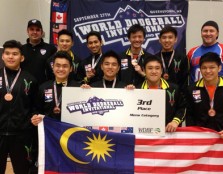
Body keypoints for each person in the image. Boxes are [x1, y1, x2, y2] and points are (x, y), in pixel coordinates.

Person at [0, 40, 38, 174]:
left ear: (21, 57)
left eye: (15, 54)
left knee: (22, 171)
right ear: (3, 56)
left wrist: (33, 118)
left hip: (21, 136)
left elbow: (35, 106)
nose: (11, 57)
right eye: (8, 53)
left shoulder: (31, 80)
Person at [126, 55, 186, 132]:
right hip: (144, 135)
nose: (154, 71)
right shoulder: (137, 90)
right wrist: (127, 94)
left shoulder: (174, 89)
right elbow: (129, 113)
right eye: (150, 68)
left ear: (161, 71)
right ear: (144, 70)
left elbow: (182, 108)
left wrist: (175, 121)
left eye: (157, 68)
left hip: (169, 134)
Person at [31, 51, 79, 125]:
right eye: (58, 65)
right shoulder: (43, 87)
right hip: (49, 132)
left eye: (65, 66)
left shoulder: (77, 88)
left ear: (71, 69)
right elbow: (37, 109)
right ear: (52, 67)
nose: (61, 69)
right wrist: (35, 117)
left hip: (70, 132)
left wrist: (86, 91)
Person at [186, 52, 223, 138]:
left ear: (219, 68)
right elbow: (190, 115)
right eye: (204, 68)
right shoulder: (192, 89)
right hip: (200, 138)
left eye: (212, 67)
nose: (208, 71)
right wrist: (192, 133)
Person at [21, 19, 57, 85]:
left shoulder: (51, 49)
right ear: (27, 31)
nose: (35, 32)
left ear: (42, 32)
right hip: (25, 86)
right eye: (32, 29)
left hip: (43, 87)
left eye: (37, 30)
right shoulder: (21, 49)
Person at [156, 25, 189, 91]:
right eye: (164, 38)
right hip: (158, 95)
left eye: (170, 37)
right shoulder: (154, 58)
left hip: (177, 96)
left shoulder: (182, 58)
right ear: (159, 40)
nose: (167, 40)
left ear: (175, 39)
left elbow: (185, 81)